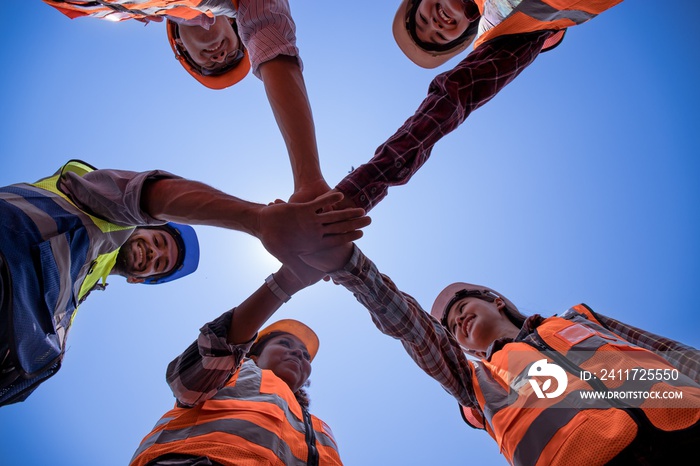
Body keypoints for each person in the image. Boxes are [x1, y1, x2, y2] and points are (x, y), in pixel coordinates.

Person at [292, 241, 700, 465]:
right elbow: (413, 330)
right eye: (450, 328)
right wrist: (351, 267)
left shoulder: (579, 317)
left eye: (458, 310)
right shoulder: (475, 383)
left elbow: (669, 351)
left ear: (494, 300)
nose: (457, 324)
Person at [0, 159, 369, 407]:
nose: (155, 256)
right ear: (143, 223)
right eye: (159, 242)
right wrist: (257, 220)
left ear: (135, 280)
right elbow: (143, 195)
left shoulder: (75, 294)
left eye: (159, 265)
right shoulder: (94, 211)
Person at [334, 0, 624, 211]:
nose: (434, 25)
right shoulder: (502, 31)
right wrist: (363, 186)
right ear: (463, 34)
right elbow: (454, 98)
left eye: (422, 20)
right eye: (438, 37)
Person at [43, 0, 329, 202]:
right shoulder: (232, 3)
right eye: (234, 54)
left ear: (183, 49)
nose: (219, 57)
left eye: (210, 65)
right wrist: (310, 179)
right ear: (235, 24)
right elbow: (271, 41)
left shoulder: (123, 10)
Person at [129, 262, 343, 466]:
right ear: (254, 355)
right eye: (284, 343)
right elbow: (190, 379)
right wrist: (287, 280)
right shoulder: (233, 372)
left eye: (306, 355)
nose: (298, 353)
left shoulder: (320, 429)